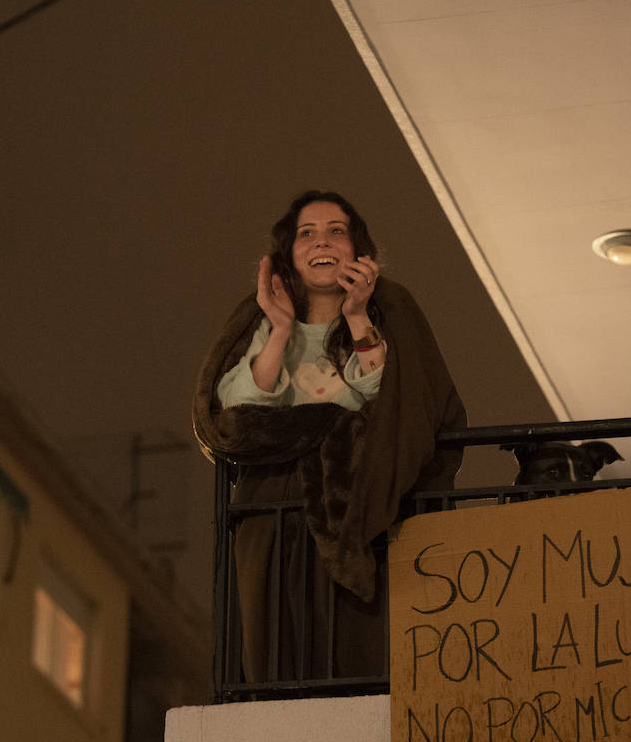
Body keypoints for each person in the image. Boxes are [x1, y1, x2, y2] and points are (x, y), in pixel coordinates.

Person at [193, 190, 465, 683]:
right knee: (275, 642)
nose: (323, 240)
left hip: (359, 508)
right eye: (307, 233)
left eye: (337, 230)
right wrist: (279, 329)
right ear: (289, 254)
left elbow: (399, 406)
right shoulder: (259, 321)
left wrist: (358, 316)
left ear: (358, 250)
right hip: (273, 509)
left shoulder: (390, 309)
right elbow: (238, 411)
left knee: (354, 650)